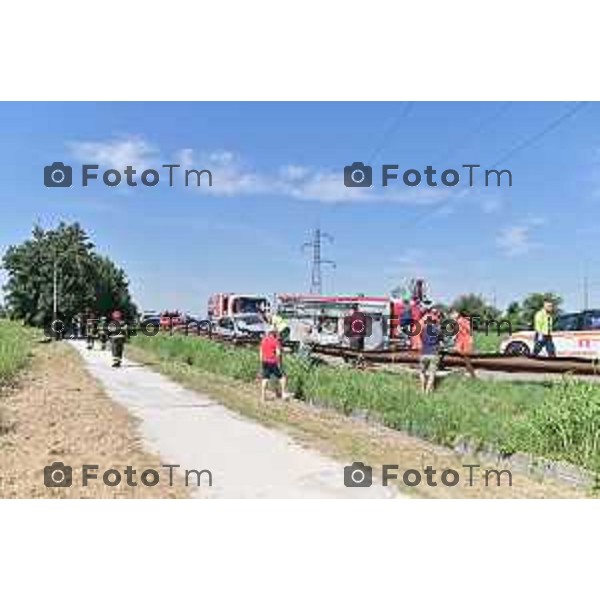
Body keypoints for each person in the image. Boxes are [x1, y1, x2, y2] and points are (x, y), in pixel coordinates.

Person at [259, 327, 287, 401]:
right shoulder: (275, 341)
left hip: (264, 361)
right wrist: (279, 363)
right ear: (273, 333)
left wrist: (261, 361)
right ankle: (283, 394)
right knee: (282, 377)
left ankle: (263, 397)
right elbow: (278, 353)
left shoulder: (264, 340)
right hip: (273, 362)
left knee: (265, 379)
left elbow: (261, 352)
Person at [419, 313, 441, 394]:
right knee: (432, 374)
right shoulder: (437, 330)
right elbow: (441, 340)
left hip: (423, 353)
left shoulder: (423, 330)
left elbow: (422, 339)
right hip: (433, 353)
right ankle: (427, 391)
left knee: (422, 372)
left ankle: (422, 388)